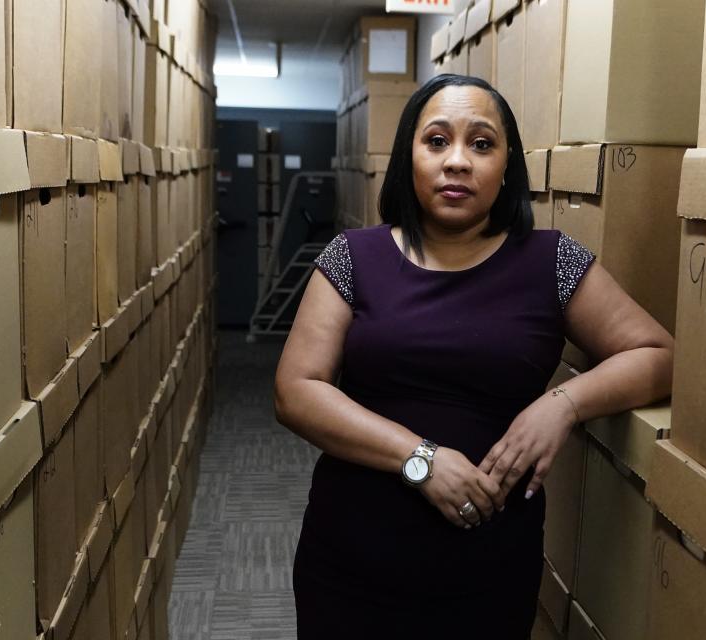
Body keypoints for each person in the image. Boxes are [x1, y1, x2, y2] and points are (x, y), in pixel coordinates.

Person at [274, 74, 674, 639]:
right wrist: (422, 459)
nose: (457, 161)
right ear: (408, 158)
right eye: (436, 141)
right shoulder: (353, 257)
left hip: (488, 568)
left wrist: (562, 404)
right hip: (352, 562)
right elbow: (295, 391)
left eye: (481, 144)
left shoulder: (551, 261)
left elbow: (659, 353)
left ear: (507, 165)